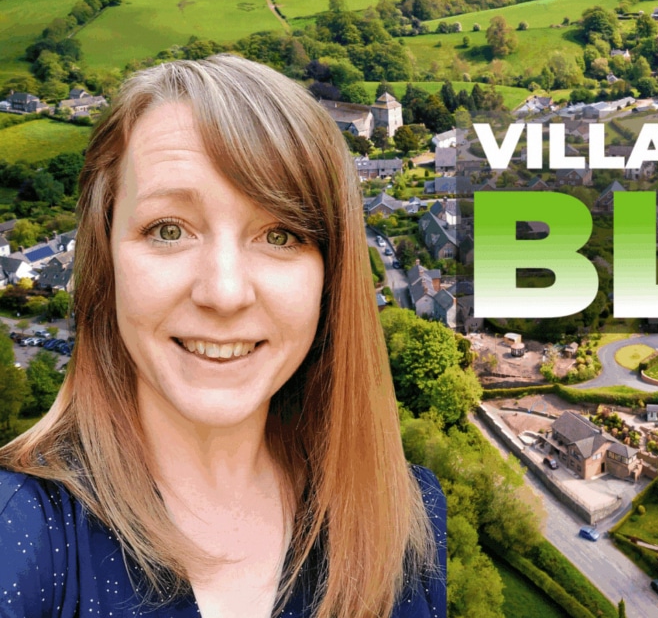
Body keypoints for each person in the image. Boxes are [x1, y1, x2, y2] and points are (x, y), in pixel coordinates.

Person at [0, 54, 446, 618]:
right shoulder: (25, 532)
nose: (225, 292)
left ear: (331, 277)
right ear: (104, 262)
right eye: (168, 230)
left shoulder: (403, 515)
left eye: (280, 234)